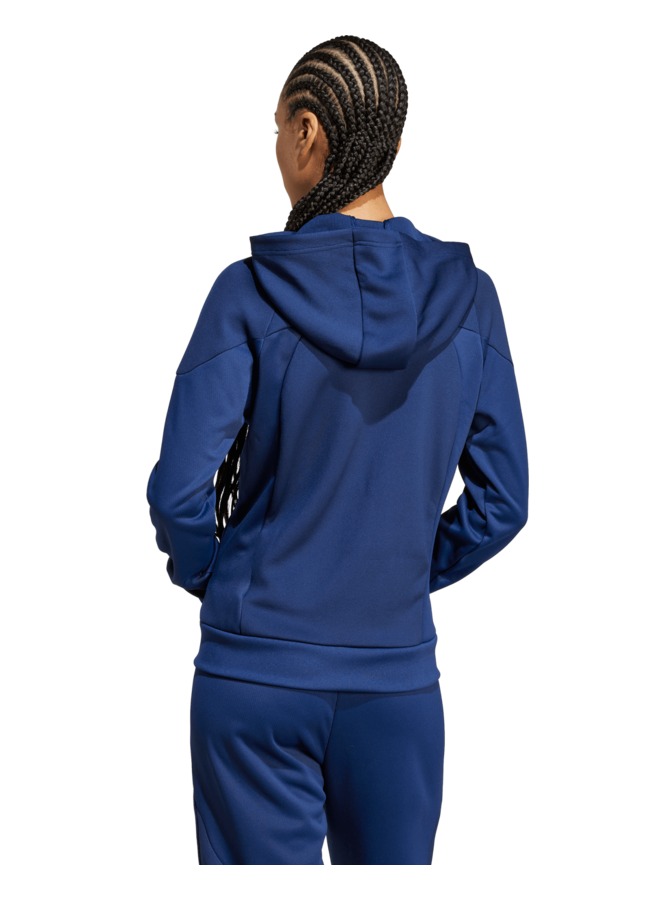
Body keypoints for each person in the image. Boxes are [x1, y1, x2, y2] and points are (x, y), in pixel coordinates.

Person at [146, 34, 529, 866]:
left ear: (307, 132)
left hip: (256, 680)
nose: (276, 146)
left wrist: (222, 578)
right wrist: (398, 572)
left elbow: (179, 490)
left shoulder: (248, 293)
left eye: (277, 127)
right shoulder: (471, 301)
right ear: (392, 143)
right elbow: (503, 503)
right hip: (397, 685)